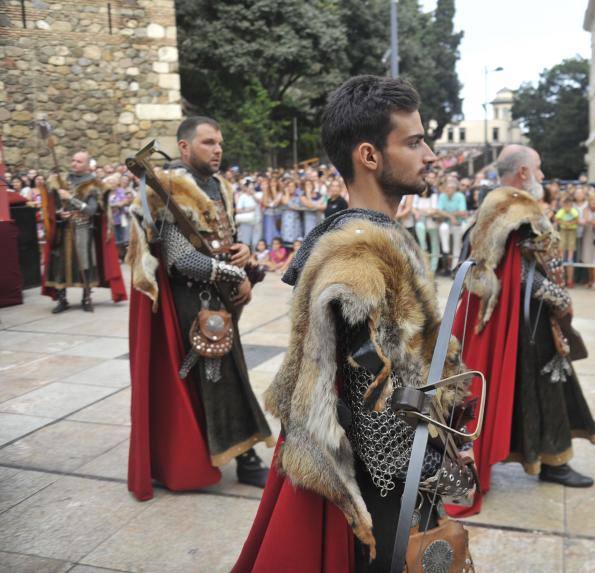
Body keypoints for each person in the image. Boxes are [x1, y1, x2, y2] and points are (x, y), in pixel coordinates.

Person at [233, 76, 477, 573]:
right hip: (380, 482)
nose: (429, 153)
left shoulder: (369, 232)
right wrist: (431, 469)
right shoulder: (357, 252)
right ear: (369, 155)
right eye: (413, 142)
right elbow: (372, 396)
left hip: (400, 461)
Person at [126, 116, 274, 502]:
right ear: (186, 147)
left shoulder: (218, 186)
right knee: (219, 381)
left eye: (220, 142)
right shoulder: (172, 187)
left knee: (226, 377)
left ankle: (233, 455)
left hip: (220, 298)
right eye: (208, 142)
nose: (218, 149)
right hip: (195, 304)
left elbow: (225, 239)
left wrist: (243, 255)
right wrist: (233, 273)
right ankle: (245, 461)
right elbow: (180, 260)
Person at [451, 144, 595, 522]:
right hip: (523, 322)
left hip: (518, 321)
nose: (543, 175)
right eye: (539, 168)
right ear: (521, 173)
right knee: (546, 384)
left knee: (535, 388)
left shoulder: (492, 206)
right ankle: (552, 462)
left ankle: (547, 459)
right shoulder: (515, 210)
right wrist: (558, 298)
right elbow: (517, 272)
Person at [42, 151, 127, 312]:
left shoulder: (94, 185)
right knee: (60, 264)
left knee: (85, 264)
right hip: (63, 228)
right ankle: (62, 299)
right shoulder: (62, 180)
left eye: (79, 161)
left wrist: (70, 198)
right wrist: (60, 213)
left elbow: (91, 210)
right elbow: (55, 206)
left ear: (88, 165)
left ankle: (86, 298)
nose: (74, 164)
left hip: (83, 229)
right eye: (73, 160)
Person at [437, 176, 468, 273]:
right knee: (443, 228)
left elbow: (462, 212)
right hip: (447, 222)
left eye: (451, 187)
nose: (448, 189)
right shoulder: (442, 196)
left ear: (454, 189)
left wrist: (448, 214)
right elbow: (438, 211)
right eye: (447, 187)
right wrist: (451, 216)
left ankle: (455, 268)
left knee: (457, 245)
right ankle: (445, 251)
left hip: (458, 224)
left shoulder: (460, 196)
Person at [555, 194, 580, 287]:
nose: (567, 207)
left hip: (572, 230)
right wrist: (564, 223)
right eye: (566, 205)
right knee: (561, 245)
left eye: (569, 205)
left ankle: (570, 257)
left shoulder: (573, 211)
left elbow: (577, 219)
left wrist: (570, 223)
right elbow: (557, 219)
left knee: (571, 245)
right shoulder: (561, 211)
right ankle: (561, 256)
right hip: (563, 230)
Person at [580, 192, 595, 289]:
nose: (593, 202)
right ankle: (590, 280)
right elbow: (587, 219)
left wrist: (593, 221)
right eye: (591, 200)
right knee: (588, 259)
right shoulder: (586, 209)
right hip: (588, 236)